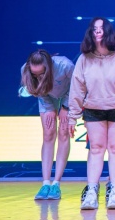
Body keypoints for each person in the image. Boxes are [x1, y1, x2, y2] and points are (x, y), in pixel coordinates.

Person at [68, 17, 115, 210]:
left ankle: (114, 191)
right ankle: (92, 192)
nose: (98, 31)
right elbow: (77, 88)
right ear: (90, 33)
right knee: (96, 149)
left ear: (108, 31)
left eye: (101, 28)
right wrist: (72, 117)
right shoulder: (84, 59)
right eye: (94, 29)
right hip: (93, 109)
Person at [20, 50, 74, 200]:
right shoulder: (25, 69)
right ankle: (45, 183)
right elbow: (35, 89)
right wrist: (49, 108)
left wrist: (65, 107)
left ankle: (56, 183)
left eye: (41, 73)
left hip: (68, 96)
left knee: (63, 133)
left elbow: (77, 86)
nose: (38, 77)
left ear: (48, 67)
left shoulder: (65, 65)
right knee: (48, 134)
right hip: (46, 97)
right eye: (35, 74)